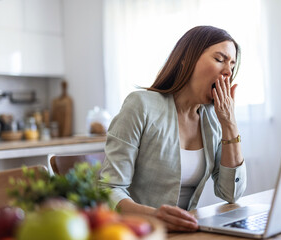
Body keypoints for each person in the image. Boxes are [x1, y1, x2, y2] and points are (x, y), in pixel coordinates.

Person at [100, 25, 246, 232]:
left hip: (185, 233)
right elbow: (108, 189)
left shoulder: (212, 120)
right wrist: (155, 216)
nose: (228, 71)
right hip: (139, 232)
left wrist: (230, 124)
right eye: (220, 59)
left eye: (231, 64)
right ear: (187, 58)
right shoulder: (141, 105)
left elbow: (231, 193)